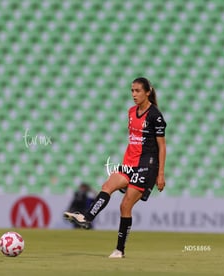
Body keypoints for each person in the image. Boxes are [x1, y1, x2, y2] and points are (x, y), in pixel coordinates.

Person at [64, 77, 166, 258]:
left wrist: (160, 174)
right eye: (132, 91)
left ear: (147, 92)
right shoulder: (131, 112)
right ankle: (87, 217)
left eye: (138, 91)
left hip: (146, 166)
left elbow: (162, 146)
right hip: (129, 164)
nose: (134, 94)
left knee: (125, 205)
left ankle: (119, 250)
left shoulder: (155, 116)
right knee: (107, 186)